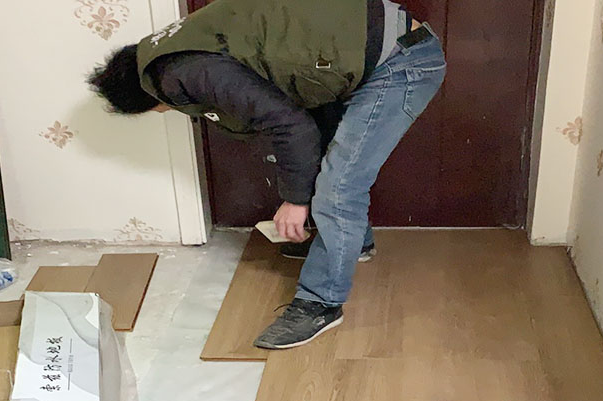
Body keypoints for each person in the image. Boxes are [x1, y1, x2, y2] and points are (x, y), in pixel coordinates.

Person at [87, 0, 445, 349]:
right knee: (332, 159)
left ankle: (320, 304)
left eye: (157, 111)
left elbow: (293, 127)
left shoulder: (184, 74)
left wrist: (295, 202)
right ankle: (353, 245)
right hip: (378, 49)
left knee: (339, 189)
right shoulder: (171, 46)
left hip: (401, 63)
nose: (164, 112)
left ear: (147, 99)